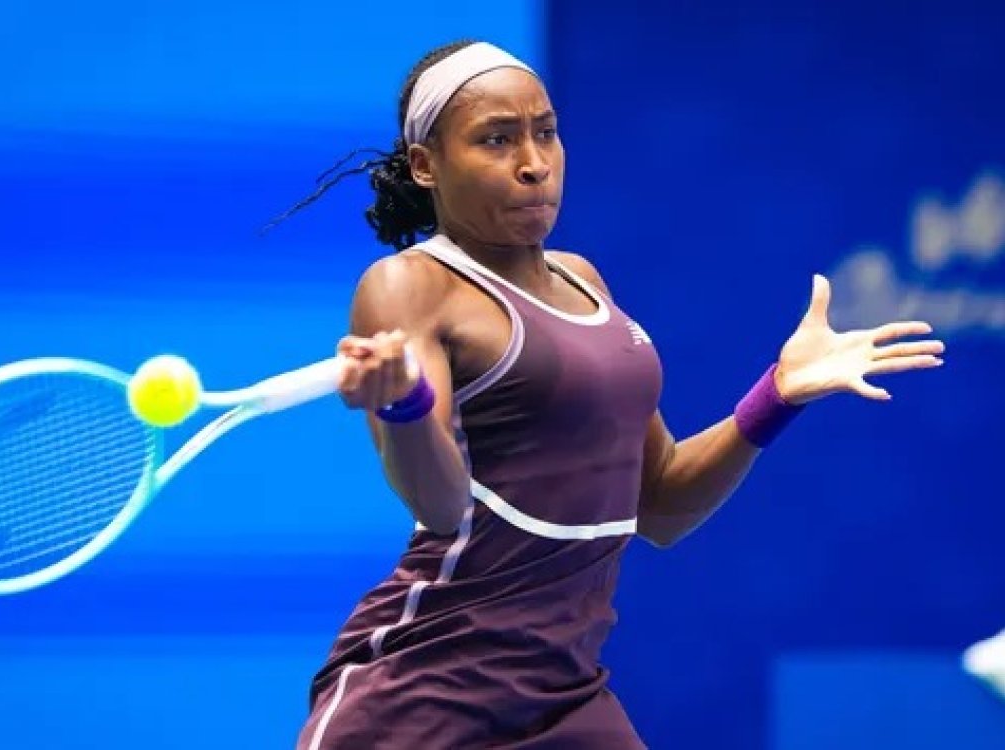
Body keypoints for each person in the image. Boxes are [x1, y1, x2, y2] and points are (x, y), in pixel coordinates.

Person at [289, 40, 945, 749]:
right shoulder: (409, 285)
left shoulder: (584, 281)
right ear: (426, 165)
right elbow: (442, 506)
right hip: (423, 687)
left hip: (562, 691)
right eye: (496, 139)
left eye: (545, 132)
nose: (534, 162)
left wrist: (777, 395)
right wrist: (405, 406)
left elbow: (660, 504)